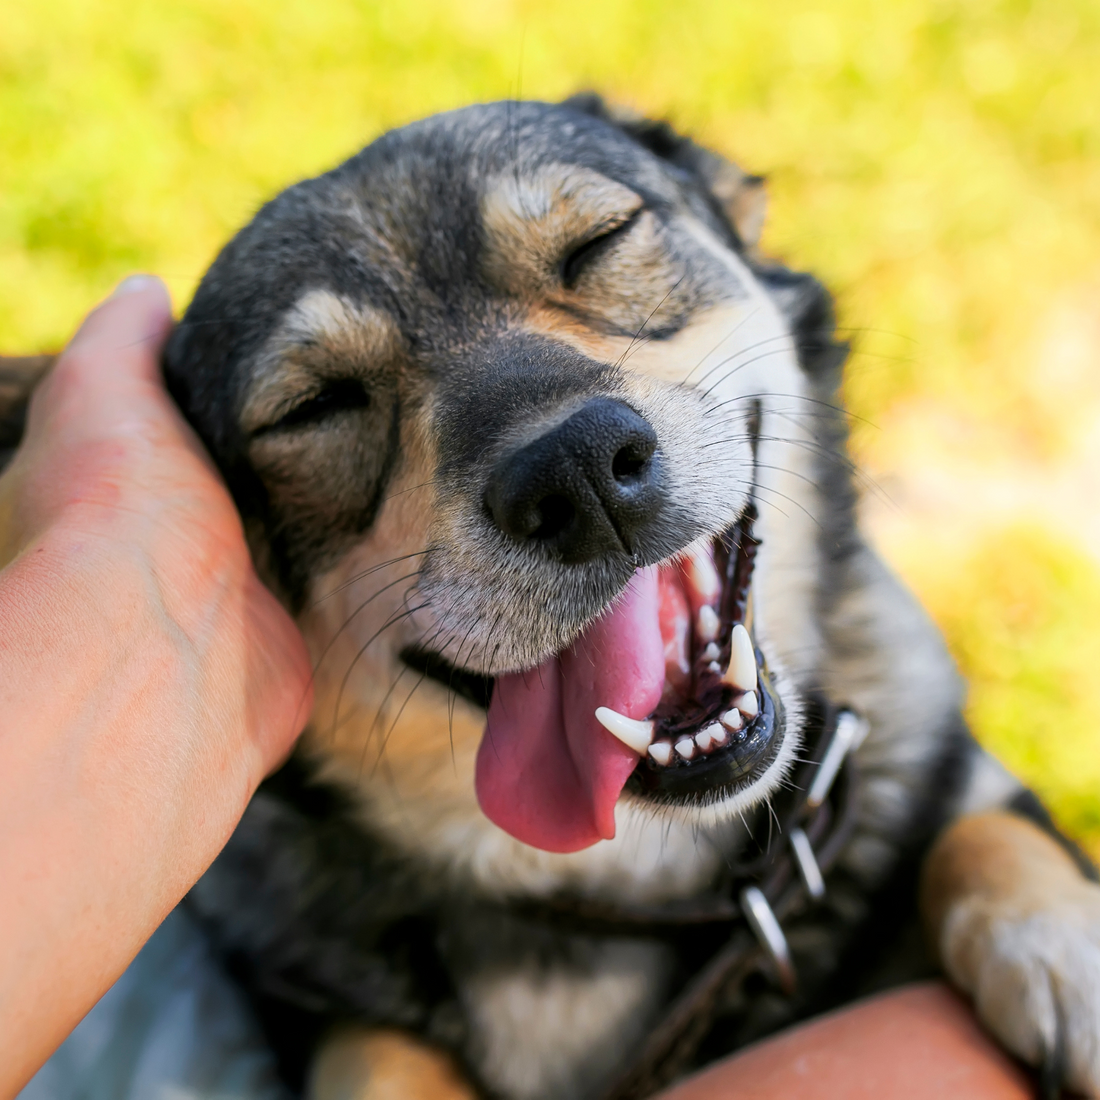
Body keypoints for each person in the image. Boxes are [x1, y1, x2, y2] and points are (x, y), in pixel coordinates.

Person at [1, 280, 1035, 1099]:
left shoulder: (889, 705)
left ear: (733, 224)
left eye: (593, 252)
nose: (562, 443)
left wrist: (991, 863)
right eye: (322, 402)